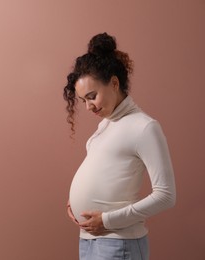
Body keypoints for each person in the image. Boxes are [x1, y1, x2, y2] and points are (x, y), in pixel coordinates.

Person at [63, 32, 176, 260]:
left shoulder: (144, 127)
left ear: (114, 83)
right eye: (83, 100)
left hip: (118, 242)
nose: (88, 107)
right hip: (89, 238)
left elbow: (166, 195)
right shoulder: (107, 125)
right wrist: (75, 202)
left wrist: (106, 220)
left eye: (92, 96)